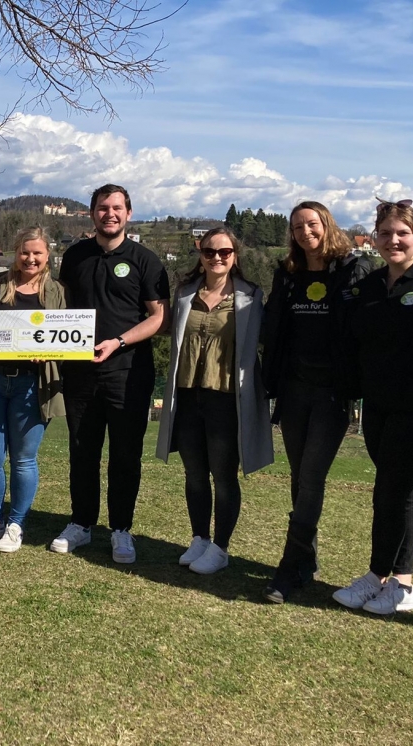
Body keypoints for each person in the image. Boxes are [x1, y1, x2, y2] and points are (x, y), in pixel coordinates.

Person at [334, 199, 413, 615]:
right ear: (375, 237)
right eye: (385, 233)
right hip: (379, 406)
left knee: (392, 489)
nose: (394, 241)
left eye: (402, 233)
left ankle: (383, 578)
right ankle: (397, 583)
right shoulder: (371, 286)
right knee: (397, 492)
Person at [50, 184, 170, 563]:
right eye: (103, 208)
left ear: (129, 213)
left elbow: (159, 318)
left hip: (128, 373)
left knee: (125, 454)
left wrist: (118, 342)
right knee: (82, 450)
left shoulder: (146, 260)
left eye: (117, 208)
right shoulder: (74, 257)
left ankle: (121, 529)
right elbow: (61, 308)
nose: (110, 214)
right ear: (92, 213)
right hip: (80, 373)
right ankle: (81, 524)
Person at [260, 201, 370, 603]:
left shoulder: (353, 270)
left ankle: (288, 568)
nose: (305, 232)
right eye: (297, 226)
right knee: (299, 478)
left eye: (312, 224)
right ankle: (306, 560)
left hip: (331, 393)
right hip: (293, 390)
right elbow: (273, 326)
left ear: (326, 225)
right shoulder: (287, 274)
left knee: (312, 478)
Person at [155, 228, 273, 574]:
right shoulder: (184, 294)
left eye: (224, 252)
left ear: (235, 254)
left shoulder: (251, 297)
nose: (217, 258)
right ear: (200, 254)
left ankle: (221, 547)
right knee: (193, 473)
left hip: (226, 398)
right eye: (209, 252)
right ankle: (199, 538)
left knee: (223, 475)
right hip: (188, 396)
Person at [0, 227, 66, 552]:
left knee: (24, 459)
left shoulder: (57, 291)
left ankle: (16, 524)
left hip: (32, 386)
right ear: (15, 252)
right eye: (25, 252)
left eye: (37, 253)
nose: (30, 258)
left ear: (47, 255)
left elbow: (64, 338)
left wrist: (47, 351)